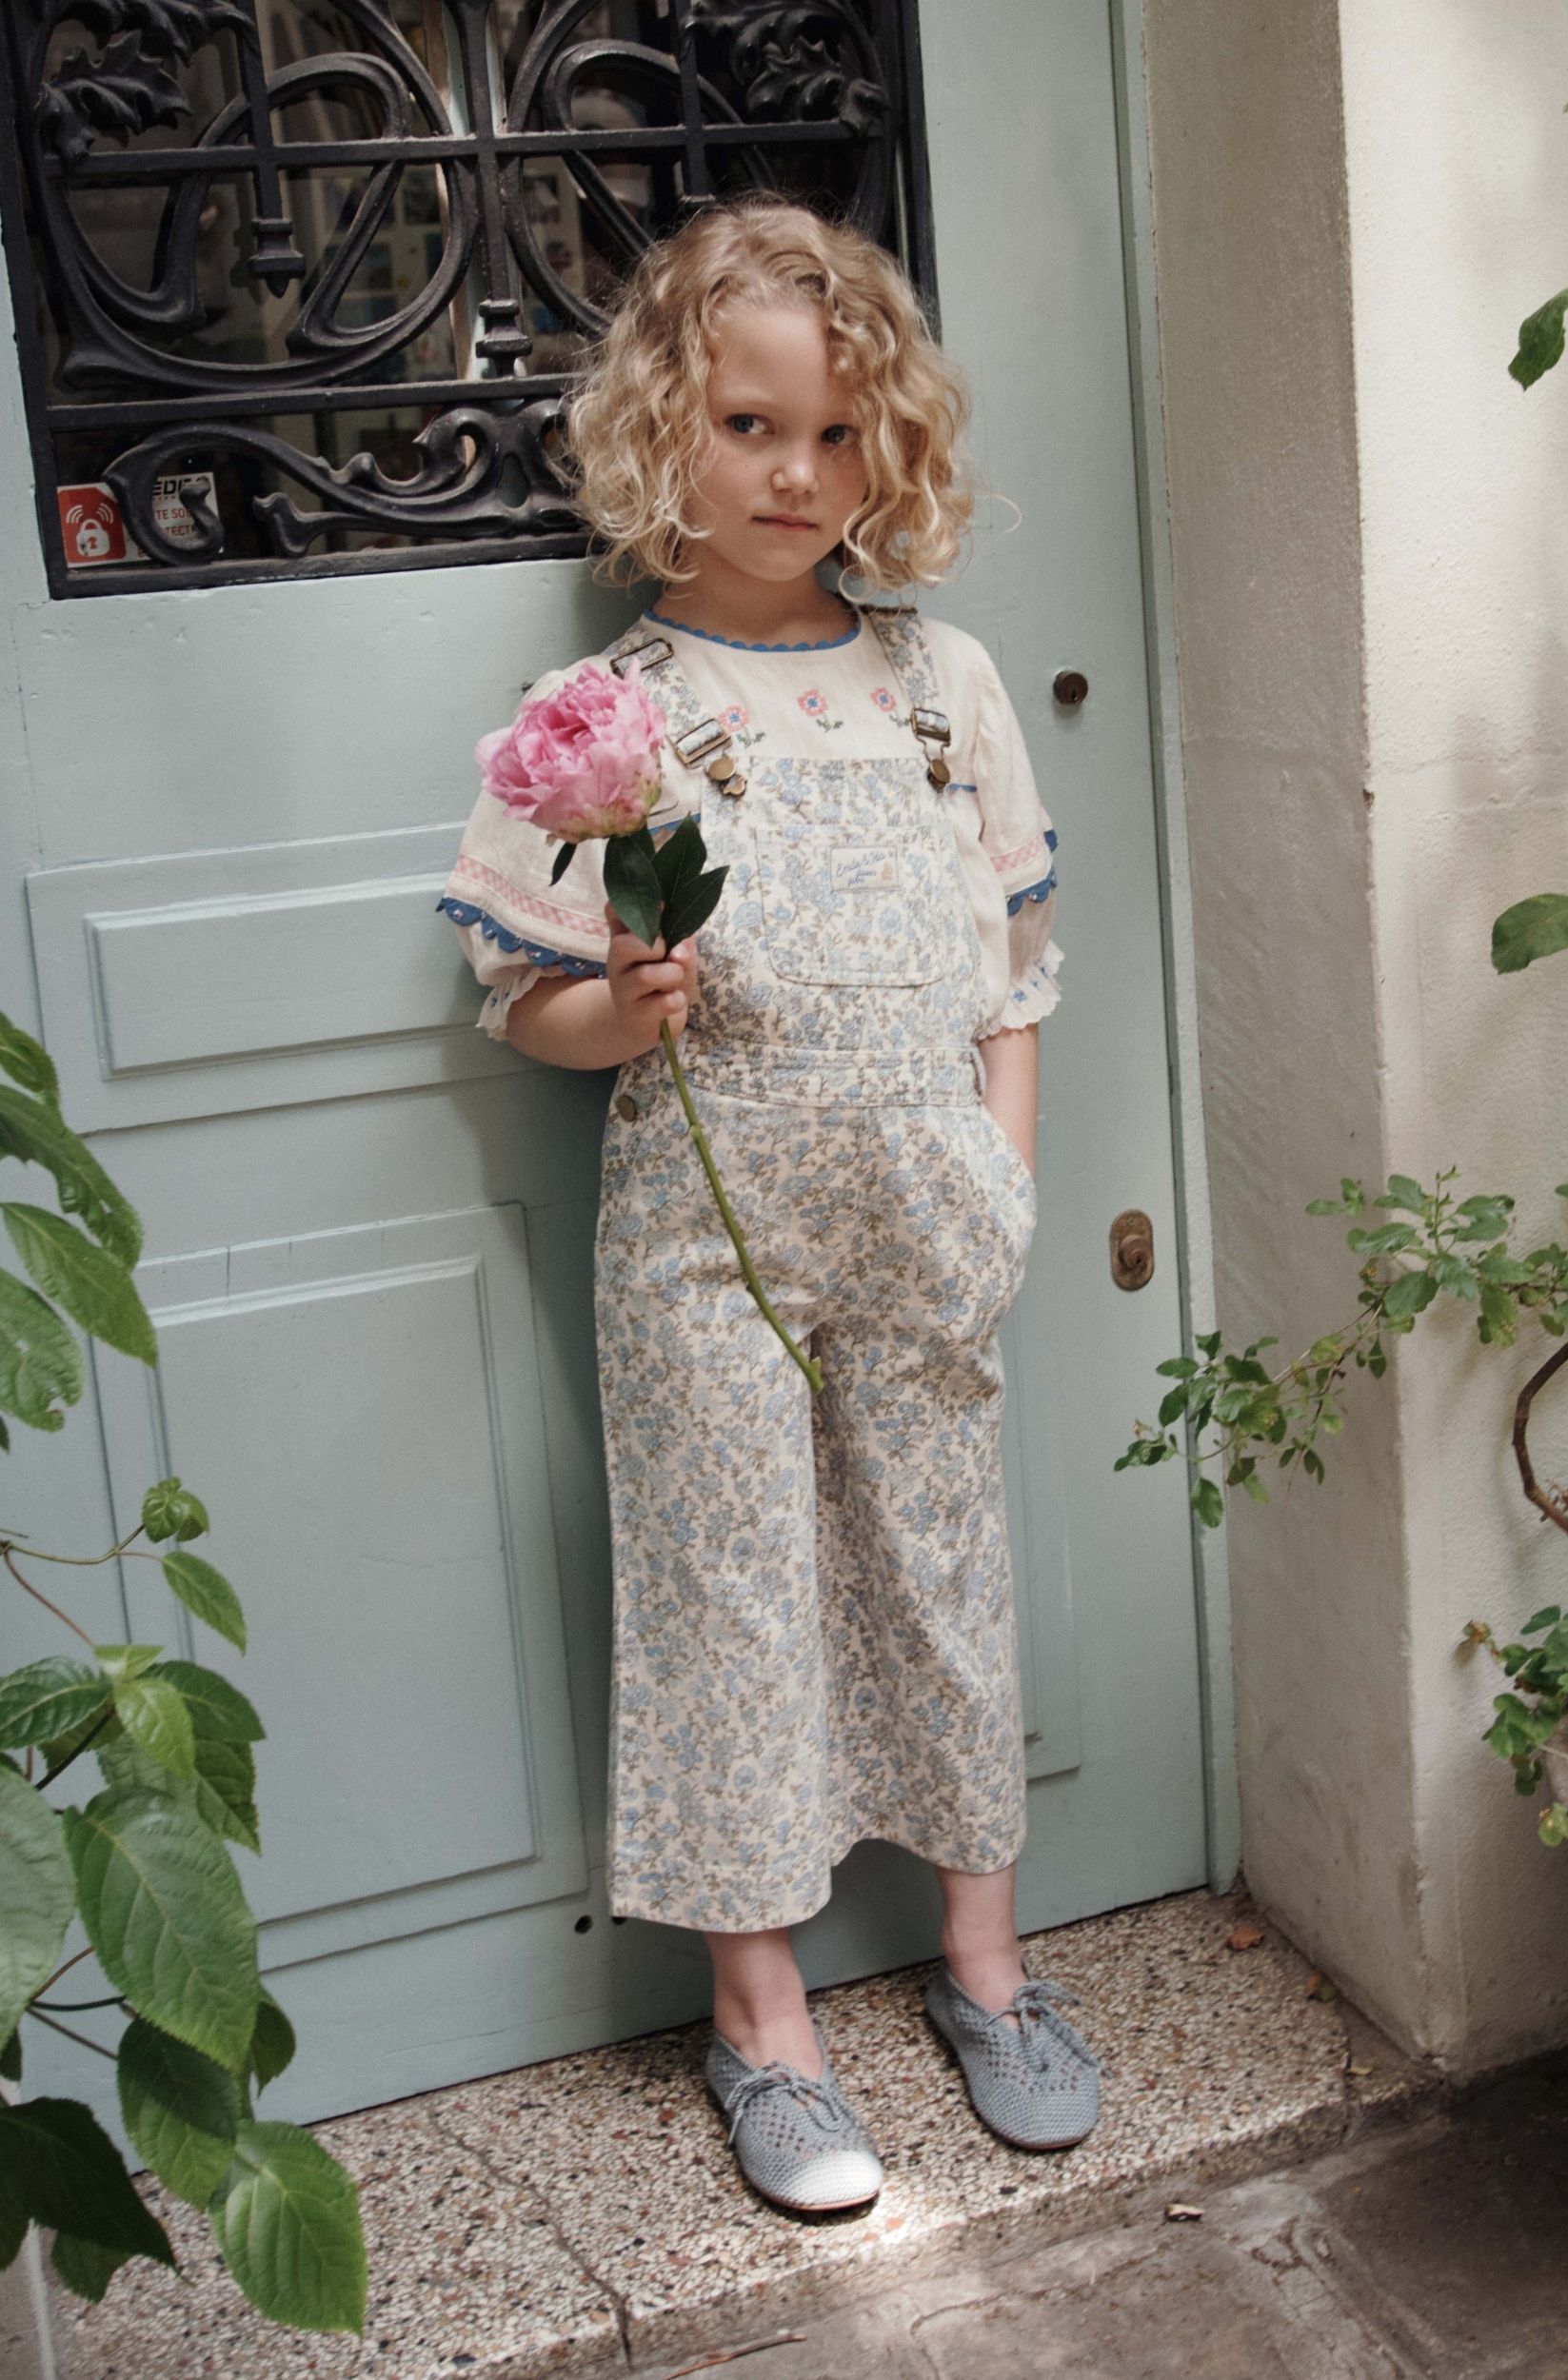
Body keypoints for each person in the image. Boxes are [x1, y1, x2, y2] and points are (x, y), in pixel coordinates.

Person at [439, 195, 1098, 2217]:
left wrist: (1000, 1181)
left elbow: (1017, 972)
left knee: (942, 1575)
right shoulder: (610, 717)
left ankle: (987, 1966)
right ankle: (764, 2018)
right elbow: (520, 1000)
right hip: (703, 1235)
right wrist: (612, 1008)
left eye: (833, 434)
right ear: (669, 431)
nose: (795, 474)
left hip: (923, 1223)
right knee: (728, 1599)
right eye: (748, 427)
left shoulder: (940, 684)